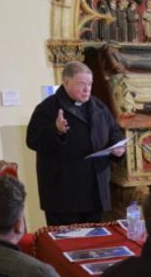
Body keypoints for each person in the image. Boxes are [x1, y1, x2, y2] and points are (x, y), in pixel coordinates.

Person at [26, 61, 126, 225]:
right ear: (66, 82)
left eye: (90, 84)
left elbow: (114, 132)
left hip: (95, 189)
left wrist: (118, 147)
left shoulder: (98, 106)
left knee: (92, 242)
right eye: (81, 84)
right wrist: (55, 131)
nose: (87, 89)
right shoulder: (47, 108)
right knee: (66, 243)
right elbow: (32, 140)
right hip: (63, 192)